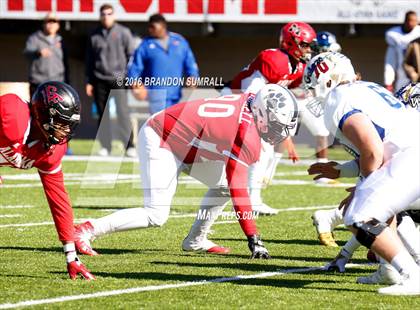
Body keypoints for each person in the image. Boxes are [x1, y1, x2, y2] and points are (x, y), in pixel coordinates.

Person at [74, 84, 299, 258]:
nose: (279, 133)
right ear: (261, 113)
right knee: (156, 214)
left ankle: (195, 240)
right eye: (278, 126)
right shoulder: (246, 133)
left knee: (222, 188)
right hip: (161, 136)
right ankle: (86, 230)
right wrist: (253, 237)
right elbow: (239, 190)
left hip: (188, 143)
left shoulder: (252, 100)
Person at [303, 52, 420, 295]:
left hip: (411, 159)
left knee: (359, 215)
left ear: (327, 81)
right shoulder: (367, 88)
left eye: (313, 86)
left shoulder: (338, 97)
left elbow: (373, 150)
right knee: (378, 211)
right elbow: (384, 146)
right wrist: (344, 170)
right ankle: (389, 270)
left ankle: (413, 275)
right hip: (410, 156)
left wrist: (364, 189)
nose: (312, 93)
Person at [0, 81, 94, 280]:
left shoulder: (51, 150)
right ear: (43, 115)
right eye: (61, 123)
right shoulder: (12, 113)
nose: (65, 131)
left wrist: (71, 256)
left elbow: (58, 199)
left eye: (69, 125)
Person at [221, 22, 316, 216]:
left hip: (254, 102)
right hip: (235, 100)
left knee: (262, 149)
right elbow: (253, 95)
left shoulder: (297, 66)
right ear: (291, 42)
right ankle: (251, 200)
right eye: (305, 44)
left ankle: (248, 198)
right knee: (261, 148)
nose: (308, 49)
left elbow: (282, 93)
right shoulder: (273, 59)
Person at [85, 3, 136, 157]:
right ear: (100, 16)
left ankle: (129, 146)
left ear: (114, 15)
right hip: (99, 79)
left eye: (109, 14)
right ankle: (105, 146)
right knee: (102, 114)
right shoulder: (94, 35)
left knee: (122, 112)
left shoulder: (123, 32)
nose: (106, 17)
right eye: (103, 14)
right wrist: (89, 81)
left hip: (119, 78)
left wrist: (130, 77)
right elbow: (89, 60)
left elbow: (131, 56)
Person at [127, 13, 199, 114]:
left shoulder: (179, 41)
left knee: (175, 126)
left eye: (153, 26)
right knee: (160, 126)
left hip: (176, 95)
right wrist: (136, 85)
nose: (150, 30)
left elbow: (190, 63)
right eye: (149, 27)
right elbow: (134, 68)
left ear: (162, 26)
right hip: (156, 95)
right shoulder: (144, 45)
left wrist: (193, 76)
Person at [23, 12, 69, 98]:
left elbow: (66, 63)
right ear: (43, 24)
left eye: (54, 21)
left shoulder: (61, 40)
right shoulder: (34, 38)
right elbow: (27, 53)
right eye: (49, 21)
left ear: (58, 25)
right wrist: (38, 52)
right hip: (38, 83)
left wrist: (67, 81)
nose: (51, 24)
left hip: (58, 83)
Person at [384, 11, 420, 92]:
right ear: (405, 21)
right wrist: (388, 81)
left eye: (415, 21)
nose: (412, 23)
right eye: (410, 20)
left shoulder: (418, 34)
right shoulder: (394, 35)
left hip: (417, 73)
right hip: (402, 73)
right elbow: (390, 61)